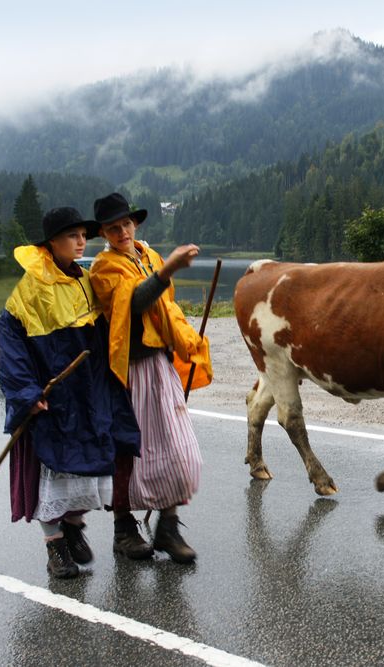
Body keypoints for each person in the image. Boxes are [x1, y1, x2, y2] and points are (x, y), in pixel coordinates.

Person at [0, 207, 141, 579]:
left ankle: (73, 526)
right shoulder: (31, 288)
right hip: (54, 396)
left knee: (91, 464)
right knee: (54, 467)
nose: (81, 242)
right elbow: (11, 344)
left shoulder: (86, 278)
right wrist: (27, 393)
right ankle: (55, 546)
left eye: (83, 236)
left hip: (88, 393)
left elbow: (111, 326)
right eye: (73, 236)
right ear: (51, 243)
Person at [89, 192, 212, 564]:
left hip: (159, 365)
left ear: (135, 224)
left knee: (179, 451)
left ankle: (168, 527)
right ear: (104, 234)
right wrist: (167, 270)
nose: (122, 231)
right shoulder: (103, 268)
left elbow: (166, 306)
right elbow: (134, 303)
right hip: (128, 371)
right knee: (131, 455)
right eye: (113, 228)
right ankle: (124, 531)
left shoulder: (148, 255)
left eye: (126, 224)